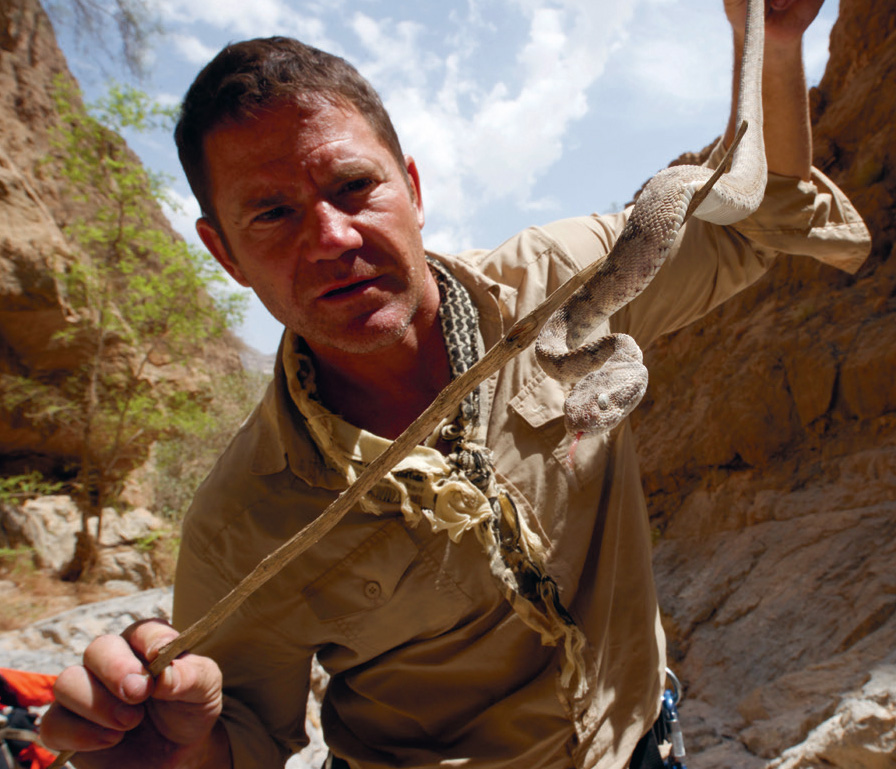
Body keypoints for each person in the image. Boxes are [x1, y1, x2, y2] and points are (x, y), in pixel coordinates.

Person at [40, 1, 870, 767]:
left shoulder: (560, 283)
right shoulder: (244, 516)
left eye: (353, 186)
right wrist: (164, 748)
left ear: (413, 187)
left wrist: (776, 43)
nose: (331, 236)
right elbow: (241, 730)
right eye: (271, 213)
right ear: (224, 254)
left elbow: (763, 219)